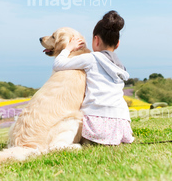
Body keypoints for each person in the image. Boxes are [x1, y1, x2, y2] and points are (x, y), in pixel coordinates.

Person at [53, 10, 134, 146]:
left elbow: (58, 65)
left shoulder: (92, 58)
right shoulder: (121, 67)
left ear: (95, 40)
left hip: (96, 126)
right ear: (117, 44)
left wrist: (68, 48)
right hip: (121, 127)